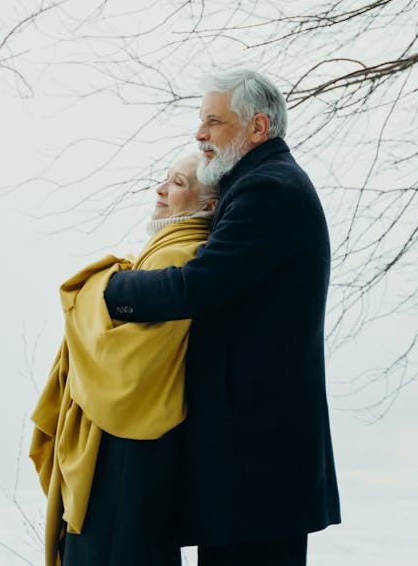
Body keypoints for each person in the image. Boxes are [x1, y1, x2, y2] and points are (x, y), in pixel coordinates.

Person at [104, 68, 341, 565]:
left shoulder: (269, 192)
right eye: (200, 121)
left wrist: (109, 289)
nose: (199, 134)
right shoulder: (258, 185)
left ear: (257, 128)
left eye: (213, 121)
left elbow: (197, 285)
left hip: (256, 463)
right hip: (253, 463)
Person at [30, 153, 218, 566]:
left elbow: (125, 364)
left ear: (210, 205)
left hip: (127, 447)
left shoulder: (180, 255)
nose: (161, 190)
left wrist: (94, 290)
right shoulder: (171, 251)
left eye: (178, 183)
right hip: (135, 447)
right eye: (164, 180)